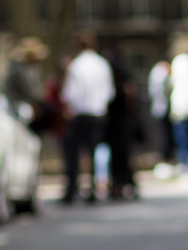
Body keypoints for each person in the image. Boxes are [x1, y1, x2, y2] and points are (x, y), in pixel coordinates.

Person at [61, 33, 115, 204]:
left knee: (74, 153)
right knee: (94, 151)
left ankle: (72, 190)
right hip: (97, 112)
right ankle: (92, 188)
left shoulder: (76, 65)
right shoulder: (102, 64)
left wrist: (69, 106)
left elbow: (71, 92)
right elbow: (109, 91)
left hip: (80, 112)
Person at [104, 50, 142, 200]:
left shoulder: (121, 85)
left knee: (122, 157)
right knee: (121, 157)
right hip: (119, 123)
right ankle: (120, 185)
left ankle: (123, 185)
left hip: (120, 123)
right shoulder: (119, 84)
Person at [147, 60, 176, 172]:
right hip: (162, 110)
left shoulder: (155, 73)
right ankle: (164, 159)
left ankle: (167, 159)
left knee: (166, 136)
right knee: (164, 136)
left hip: (160, 109)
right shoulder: (160, 74)